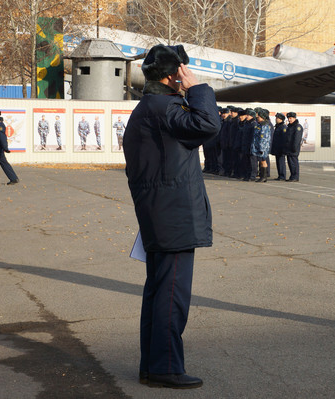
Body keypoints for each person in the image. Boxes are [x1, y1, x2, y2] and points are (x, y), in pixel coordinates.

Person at [123, 44, 220, 389]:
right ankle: (165, 367)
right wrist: (196, 87)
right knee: (171, 295)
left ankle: (152, 366)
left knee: (159, 291)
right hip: (172, 214)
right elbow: (208, 124)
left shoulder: (147, 107)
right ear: (172, 75)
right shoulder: (165, 107)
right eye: (181, 71)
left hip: (160, 212)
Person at [252, 108, 272, 182]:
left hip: (262, 148)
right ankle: (262, 176)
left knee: (263, 161)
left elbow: (264, 139)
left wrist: (262, 149)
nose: (258, 118)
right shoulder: (259, 125)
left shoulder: (264, 126)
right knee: (261, 162)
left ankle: (264, 177)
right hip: (258, 147)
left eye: (259, 117)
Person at [285, 112, 303, 182]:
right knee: (290, 163)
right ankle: (292, 176)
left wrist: (294, 148)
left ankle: (295, 176)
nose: (289, 120)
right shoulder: (290, 126)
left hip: (293, 149)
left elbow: (297, 139)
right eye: (288, 118)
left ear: (294, 118)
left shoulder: (297, 127)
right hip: (289, 148)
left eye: (291, 118)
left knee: (294, 163)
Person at [270, 113, 287, 180]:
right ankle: (280, 175)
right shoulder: (278, 126)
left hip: (281, 148)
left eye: (277, 118)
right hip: (277, 148)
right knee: (278, 162)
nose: (276, 119)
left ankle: (282, 175)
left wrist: (283, 148)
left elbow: (284, 139)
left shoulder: (283, 127)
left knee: (281, 162)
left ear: (281, 119)